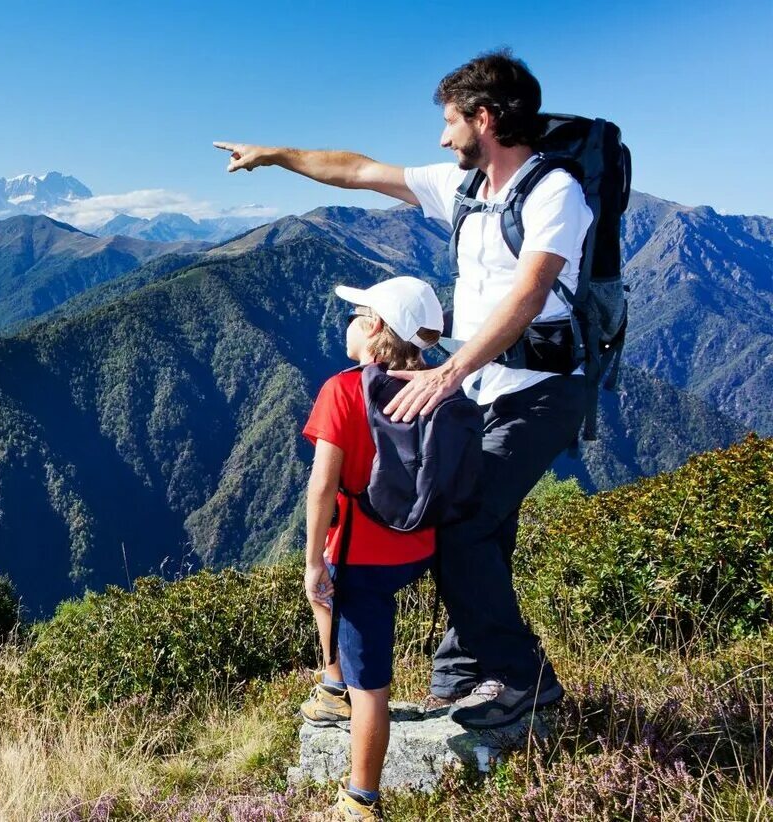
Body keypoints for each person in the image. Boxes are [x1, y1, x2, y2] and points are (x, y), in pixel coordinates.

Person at [215, 47, 589, 732]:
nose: (443, 138)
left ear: (485, 117)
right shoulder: (465, 188)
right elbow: (357, 170)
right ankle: (464, 670)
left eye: (450, 122)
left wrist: (449, 369)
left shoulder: (554, 192)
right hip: (479, 391)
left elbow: (532, 292)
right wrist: (275, 155)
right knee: (476, 522)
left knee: (464, 524)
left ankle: (525, 681)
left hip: (539, 391)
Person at [299, 276, 444, 821]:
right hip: (422, 544)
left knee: (372, 689)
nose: (351, 321)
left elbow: (321, 487)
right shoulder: (434, 382)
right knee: (328, 588)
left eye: (359, 313)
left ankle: (361, 800)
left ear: (377, 327)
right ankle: (333, 682)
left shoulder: (342, 389)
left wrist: (313, 560)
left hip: (361, 557)